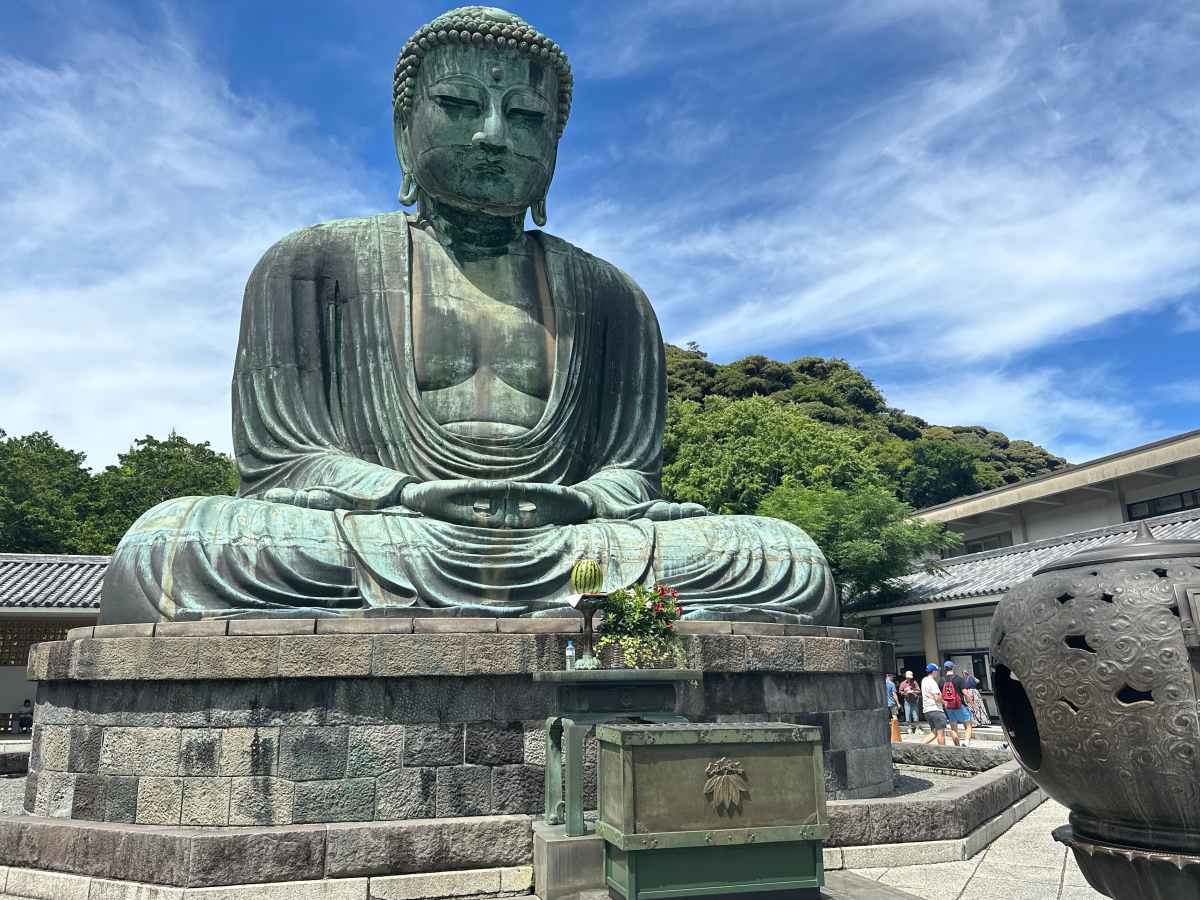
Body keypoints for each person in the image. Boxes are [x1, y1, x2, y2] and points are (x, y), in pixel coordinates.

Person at [96, 5, 840, 626]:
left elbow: (630, 474)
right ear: (404, 127)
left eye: (524, 116)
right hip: (386, 532)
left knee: (786, 558)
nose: (492, 134)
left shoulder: (612, 297)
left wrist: (579, 499)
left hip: (570, 540)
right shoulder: (312, 265)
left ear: (553, 144)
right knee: (170, 548)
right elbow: (280, 461)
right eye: (458, 106)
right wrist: (406, 493)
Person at [920, 663, 958, 746]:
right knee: (940, 734)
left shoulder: (924, 680)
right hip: (936, 710)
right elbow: (937, 697)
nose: (937, 673)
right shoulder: (932, 682)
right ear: (933, 671)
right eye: (937, 671)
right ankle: (943, 751)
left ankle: (918, 747)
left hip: (927, 710)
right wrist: (944, 702)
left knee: (934, 732)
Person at [942, 661, 973, 746]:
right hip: (959, 705)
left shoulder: (942, 680)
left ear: (945, 669)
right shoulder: (959, 679)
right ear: (953, 668)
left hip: (948, 707)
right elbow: (965, 692)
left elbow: (940, 695)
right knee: (968, 725)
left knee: (953, 728)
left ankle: (957, 746)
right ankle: (966, 743)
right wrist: (971, 703)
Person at [898, 670, 922, 735]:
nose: (909, 678)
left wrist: (913, 691)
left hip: (914, 700)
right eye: (908, 677)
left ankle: (917, 728)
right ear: (906, 677)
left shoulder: (915, 682)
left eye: (910, 677)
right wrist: (905, 692)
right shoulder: (903, 683)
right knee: (907, 715)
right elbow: (900, 692)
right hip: (907, 701)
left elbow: (919, 691)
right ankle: (909, 728)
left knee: (915, 715)